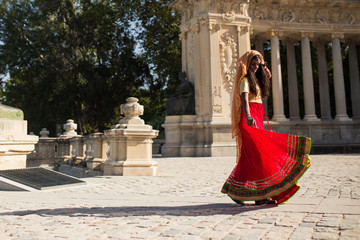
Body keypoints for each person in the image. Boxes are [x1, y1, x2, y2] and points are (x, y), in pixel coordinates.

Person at [221, 50, 311, 205]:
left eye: (257, 65)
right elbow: (244, 99)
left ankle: (236, 191)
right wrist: (248, 116)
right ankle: (261, 194)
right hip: (249, 118)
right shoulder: (245, 80)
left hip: (257, 117)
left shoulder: (256, 79)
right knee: (259, 154)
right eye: (253, 64)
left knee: (251, 157)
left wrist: (265, 68)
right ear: (247, 65)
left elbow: (265, 84)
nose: (255, 67)